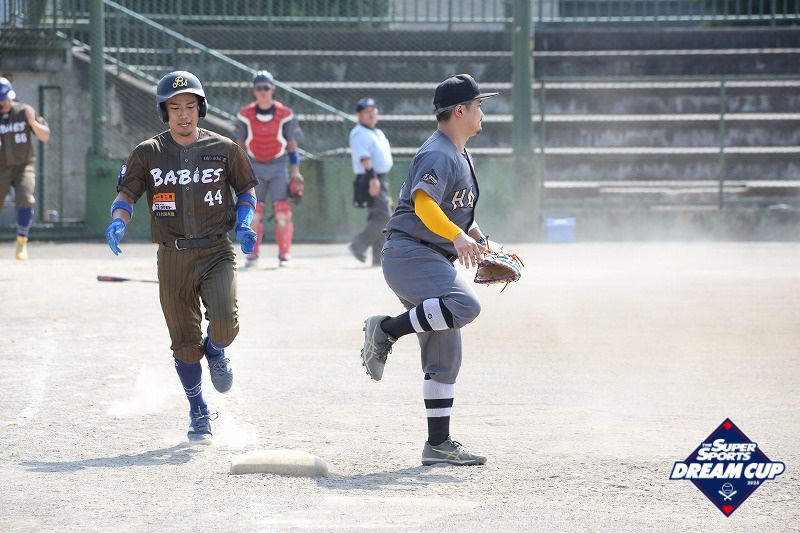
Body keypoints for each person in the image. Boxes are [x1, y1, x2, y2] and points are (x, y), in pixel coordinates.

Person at [104, 71, 258, 445]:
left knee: (226, 326)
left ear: (201, 108)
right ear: (164, 112)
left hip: (216, 250)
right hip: (172, 257)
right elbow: (126, 194)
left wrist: (244, 222)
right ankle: (198, 411)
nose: (183, 114)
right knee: (185, 344)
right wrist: (119, 220)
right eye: (175, 108)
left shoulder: (226, 149)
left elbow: (245, 190)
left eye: (190, 106)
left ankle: (216, 351)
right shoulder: (147, 153)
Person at [359, 74, 498, 466]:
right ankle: (386, 330)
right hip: (410, 253)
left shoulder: (458, 152)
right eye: (478, 105)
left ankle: (437, 445)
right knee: (465, 305)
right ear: (460, 111)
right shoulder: (439, 152)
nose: (482, 112)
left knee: (445, 356)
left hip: (426, 256)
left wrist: (476, 237)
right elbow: (424, 205)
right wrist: (457, 237)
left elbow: (456, 209)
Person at [233, 70, 303, 268]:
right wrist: (239, 171)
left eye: (266, 87)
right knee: (254, 213)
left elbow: (292, 145)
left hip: (278, 166)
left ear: (272, 89)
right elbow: (239, 145)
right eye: (259, 88)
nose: (263, 91)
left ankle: (284, 254)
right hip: (254, 166)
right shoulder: (245, 114)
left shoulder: (285, 114)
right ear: (254, 91)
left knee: (283, 212)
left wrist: (295, 171)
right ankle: (252, 254)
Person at [0, 76, 50, 260]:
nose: (4, 102)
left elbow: (45, 136)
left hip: (23, 164)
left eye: (6, 98)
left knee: (25, 197)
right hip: (1, 167)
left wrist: (33, 123)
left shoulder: (24, 111)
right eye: (1, 99)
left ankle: (21, 240)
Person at [348, 97, 393, 267]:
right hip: (370, 177)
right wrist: (373, 178)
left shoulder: (376, 132)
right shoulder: (359, 132)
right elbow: (364, 158)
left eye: (374, 110)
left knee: (378, 216)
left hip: (380, 177)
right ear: (359, 115)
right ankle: (358, 244)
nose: (372, 114)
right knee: (384, 216)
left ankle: (378, 256)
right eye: (367, 111)